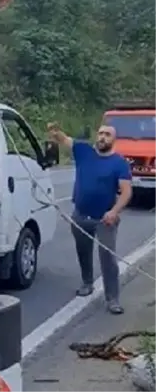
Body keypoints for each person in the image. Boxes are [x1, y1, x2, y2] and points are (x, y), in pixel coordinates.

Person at [47, 122, 132, 314]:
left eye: (107, 135)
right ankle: (87, 282)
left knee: (108, 259)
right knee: (83, 251)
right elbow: (63, 139)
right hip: (80, 216)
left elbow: (126, 192)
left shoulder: (119, 163)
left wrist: (114, 211)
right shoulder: (83, 150)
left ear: (113, 140)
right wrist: (55, 131)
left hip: (105, 219)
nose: (102, 137)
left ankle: (112, 299)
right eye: (100, 133)